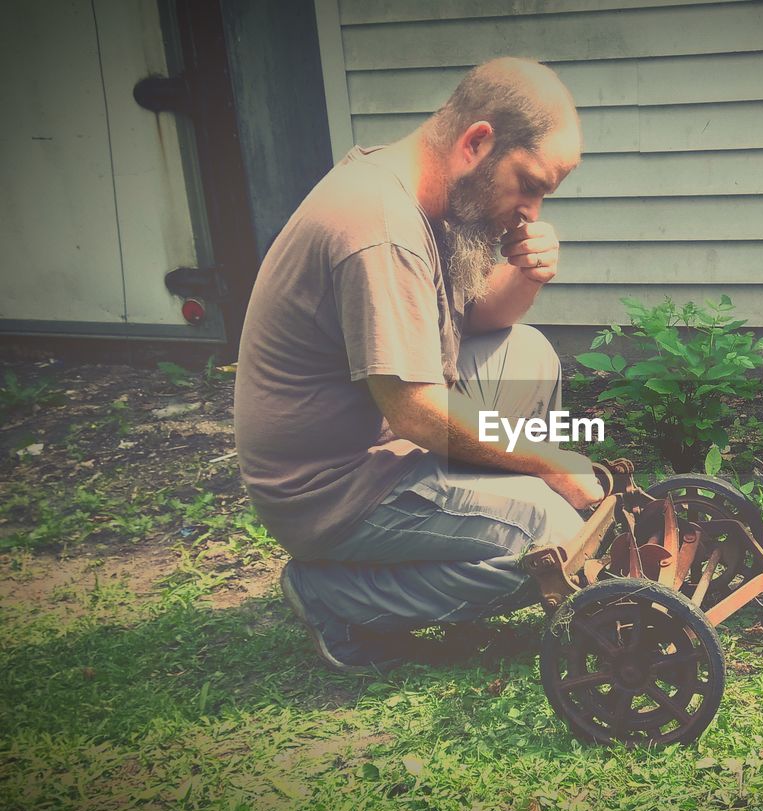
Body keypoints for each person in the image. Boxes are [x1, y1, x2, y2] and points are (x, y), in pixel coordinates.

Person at [233, 58, 604, 674]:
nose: (532, 211)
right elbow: (416, 412)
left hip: (378, 444)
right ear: (477, 142)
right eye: (530, 184)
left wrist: (526, 273)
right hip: (332, 490)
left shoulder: (419, 192)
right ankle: (332, 595)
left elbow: (476, 318)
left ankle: (487, 505)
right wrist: (547, 463)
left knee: (528, 352)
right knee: (555, 541)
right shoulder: (381, 228)